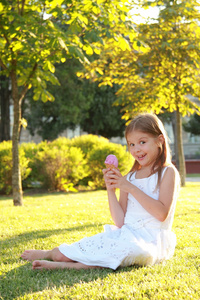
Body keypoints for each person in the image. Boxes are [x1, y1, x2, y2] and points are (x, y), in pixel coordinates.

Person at [21, 113, 180, 270]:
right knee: (65, 253)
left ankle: (64, 267)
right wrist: (111, 189)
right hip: (125, 235)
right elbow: (120, 222)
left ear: (159, 140)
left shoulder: (167, 173)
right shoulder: (130, 177)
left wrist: (130, 187)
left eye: (142, 142)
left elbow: (161, 214)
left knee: (137, 252)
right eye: (131, 144)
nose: (136, 149)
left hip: (151, 241)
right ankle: (50, 254)